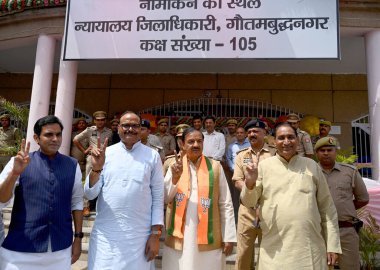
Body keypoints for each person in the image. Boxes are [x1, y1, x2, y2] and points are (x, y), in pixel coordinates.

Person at [241, 122, 342, 269]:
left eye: (291, 137)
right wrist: (249, 183)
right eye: (281, 138)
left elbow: (327, 208)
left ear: (298, 140)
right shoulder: (263, 167)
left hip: (309, 251)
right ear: (273, 142)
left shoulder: (312, 166)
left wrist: (332, 245)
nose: (286, 142)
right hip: (273, 251)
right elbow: (249, 202)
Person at [0, 115, 84, 270]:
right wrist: (14, 174)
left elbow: (77, 202)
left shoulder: (72, 165)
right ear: (36, 138)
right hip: (20, 250)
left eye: (58, 134)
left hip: (60, 249)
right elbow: (1, 199)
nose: (55, 139)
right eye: (49, 134)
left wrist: (78, 238)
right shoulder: (18, 162)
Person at [84, 111, 164, 270]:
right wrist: (96, 169)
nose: (130, 129)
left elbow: (158, 197)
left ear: (141, 129)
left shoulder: (153, 156)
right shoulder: (106, 154)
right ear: (118, 128)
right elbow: (90, 194)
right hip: (106, 237)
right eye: (126, 125)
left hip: (139, 237)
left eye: (135, 126)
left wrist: (155, 235)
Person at [162, 127, 236, 270]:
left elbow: (225, 203)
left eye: (199, 141)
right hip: (180, 235)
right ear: (181, 144)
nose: (196, 145)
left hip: (209, 233)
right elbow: (165, 198)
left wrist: (229, 236)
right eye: (191, 141)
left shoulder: (215, 167)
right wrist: (175, 179)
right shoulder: (175, 165)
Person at [315, 136, 369, 270]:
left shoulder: (350, 172)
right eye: (322, 150)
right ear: (317, 153)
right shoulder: (309, 172)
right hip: (318, 231)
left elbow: (363, 198)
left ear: (335, 152)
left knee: (350, 267)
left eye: (329, 150)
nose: (326, 153)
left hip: (345, 229)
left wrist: (345, 208)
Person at [233, 120, 276, 270]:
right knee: (244, 254)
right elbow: (237, 180)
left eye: (255, 131)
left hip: (269, 210)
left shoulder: (275, 153)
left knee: (270, 254)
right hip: (247, 211)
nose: (251, 134)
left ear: (265, 133)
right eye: (249, 132)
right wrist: (249, 190)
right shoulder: (241, 155)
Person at [73, 111, 112, 216]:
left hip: (106, 159)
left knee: (105, 182)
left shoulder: (110, 132)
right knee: (88, 182)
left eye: (102, 120)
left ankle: (102, 206)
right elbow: (76, 140)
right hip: (92, 158)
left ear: (105, 121)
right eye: (98, 120)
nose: (100, 122)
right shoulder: (89, 130)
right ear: (94, 121)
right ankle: (86, 206)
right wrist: (85, 151)